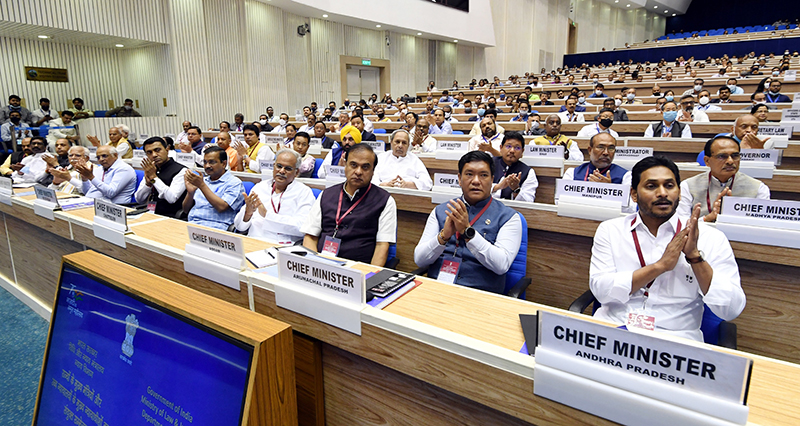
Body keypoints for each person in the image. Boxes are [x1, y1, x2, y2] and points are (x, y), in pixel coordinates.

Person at [589, 155, 746, 341]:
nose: (662, 193)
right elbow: (601, 291)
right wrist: (660, 267)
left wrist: (695, 257)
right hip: (613, 328)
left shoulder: (710, 237)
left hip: (675, 340)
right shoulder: (611, 230)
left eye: (669, 186)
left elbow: (731, 309)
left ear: (679, 193)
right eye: (651, 186)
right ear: (633, 194)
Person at [413, 150, 522, 293]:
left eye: (483, 175)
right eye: (469, 174)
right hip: (438, 289)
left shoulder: (509, 217)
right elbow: (419, 260)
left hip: (481, 295)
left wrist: (468, 233)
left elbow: (501, 265)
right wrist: (443, 237)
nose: (476, 181)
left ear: (492, 180)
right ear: (459, 178)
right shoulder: (441, 211)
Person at [301, 143, 397, 266]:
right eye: (353, 165)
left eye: (365, 167)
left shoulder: (385, 201)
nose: (358, 171)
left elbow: (382, 246)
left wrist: (368, 277)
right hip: (321, 265)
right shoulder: (326, 194)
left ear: (373, 171)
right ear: (345, 166)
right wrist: (315, 267)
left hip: (357, 270)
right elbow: (310, 236)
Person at [678, 136, 770, 223]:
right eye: (722, 156)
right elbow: (681, 224)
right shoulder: (688, 186)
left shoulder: (758, 188)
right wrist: (708, 218)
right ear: (707, 161)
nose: (730, 161)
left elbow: (761, 224)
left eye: (735, 156)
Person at [234, 149, 315, 244]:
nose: (281, 171)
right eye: (279, 166)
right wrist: (248, 214)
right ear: (273, 166)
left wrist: (267, 215)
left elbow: (302, 228)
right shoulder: (260, 187)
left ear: (296, 173)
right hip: (254, 241)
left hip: (283, 246)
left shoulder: (304, 192)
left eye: (288, 168)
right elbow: (239, 227)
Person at [183, 146, 245, 230]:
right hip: (192, 224)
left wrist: (202, 186)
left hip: (216, 227)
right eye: (205, 162)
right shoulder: (203, 181)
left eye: (212, 162)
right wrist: (190, 193)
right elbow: (185, 209)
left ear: (223, 164)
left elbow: (221, 207)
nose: (207, 166)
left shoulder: (234, 183)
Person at [134, 137, 188, 218]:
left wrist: (154, 178)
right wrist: (148, 185)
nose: (154, 155)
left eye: (157, 150)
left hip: (170, 216)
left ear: (167, 149)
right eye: (149, 152)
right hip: (150, 213)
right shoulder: (151, 169)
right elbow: (139, 199)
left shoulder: (181, 170)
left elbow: (172, 198)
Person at [564, 133, 631, 188]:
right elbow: (561, 200)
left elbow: (630, 204)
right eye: (601, 147)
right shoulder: (572, 173)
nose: (606, 152)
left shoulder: (626, 176)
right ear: (590, 150)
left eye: (611, 148)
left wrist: (610, 189)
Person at [491, 132, 537, 202]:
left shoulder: (528, 172)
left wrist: (516, 189)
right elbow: (477, 188)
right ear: (501, 148)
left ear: (522, 152)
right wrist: (498, 187)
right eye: (508, 146)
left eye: (517, 148)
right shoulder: (488, 164)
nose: (512, 151)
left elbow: (529, 202)